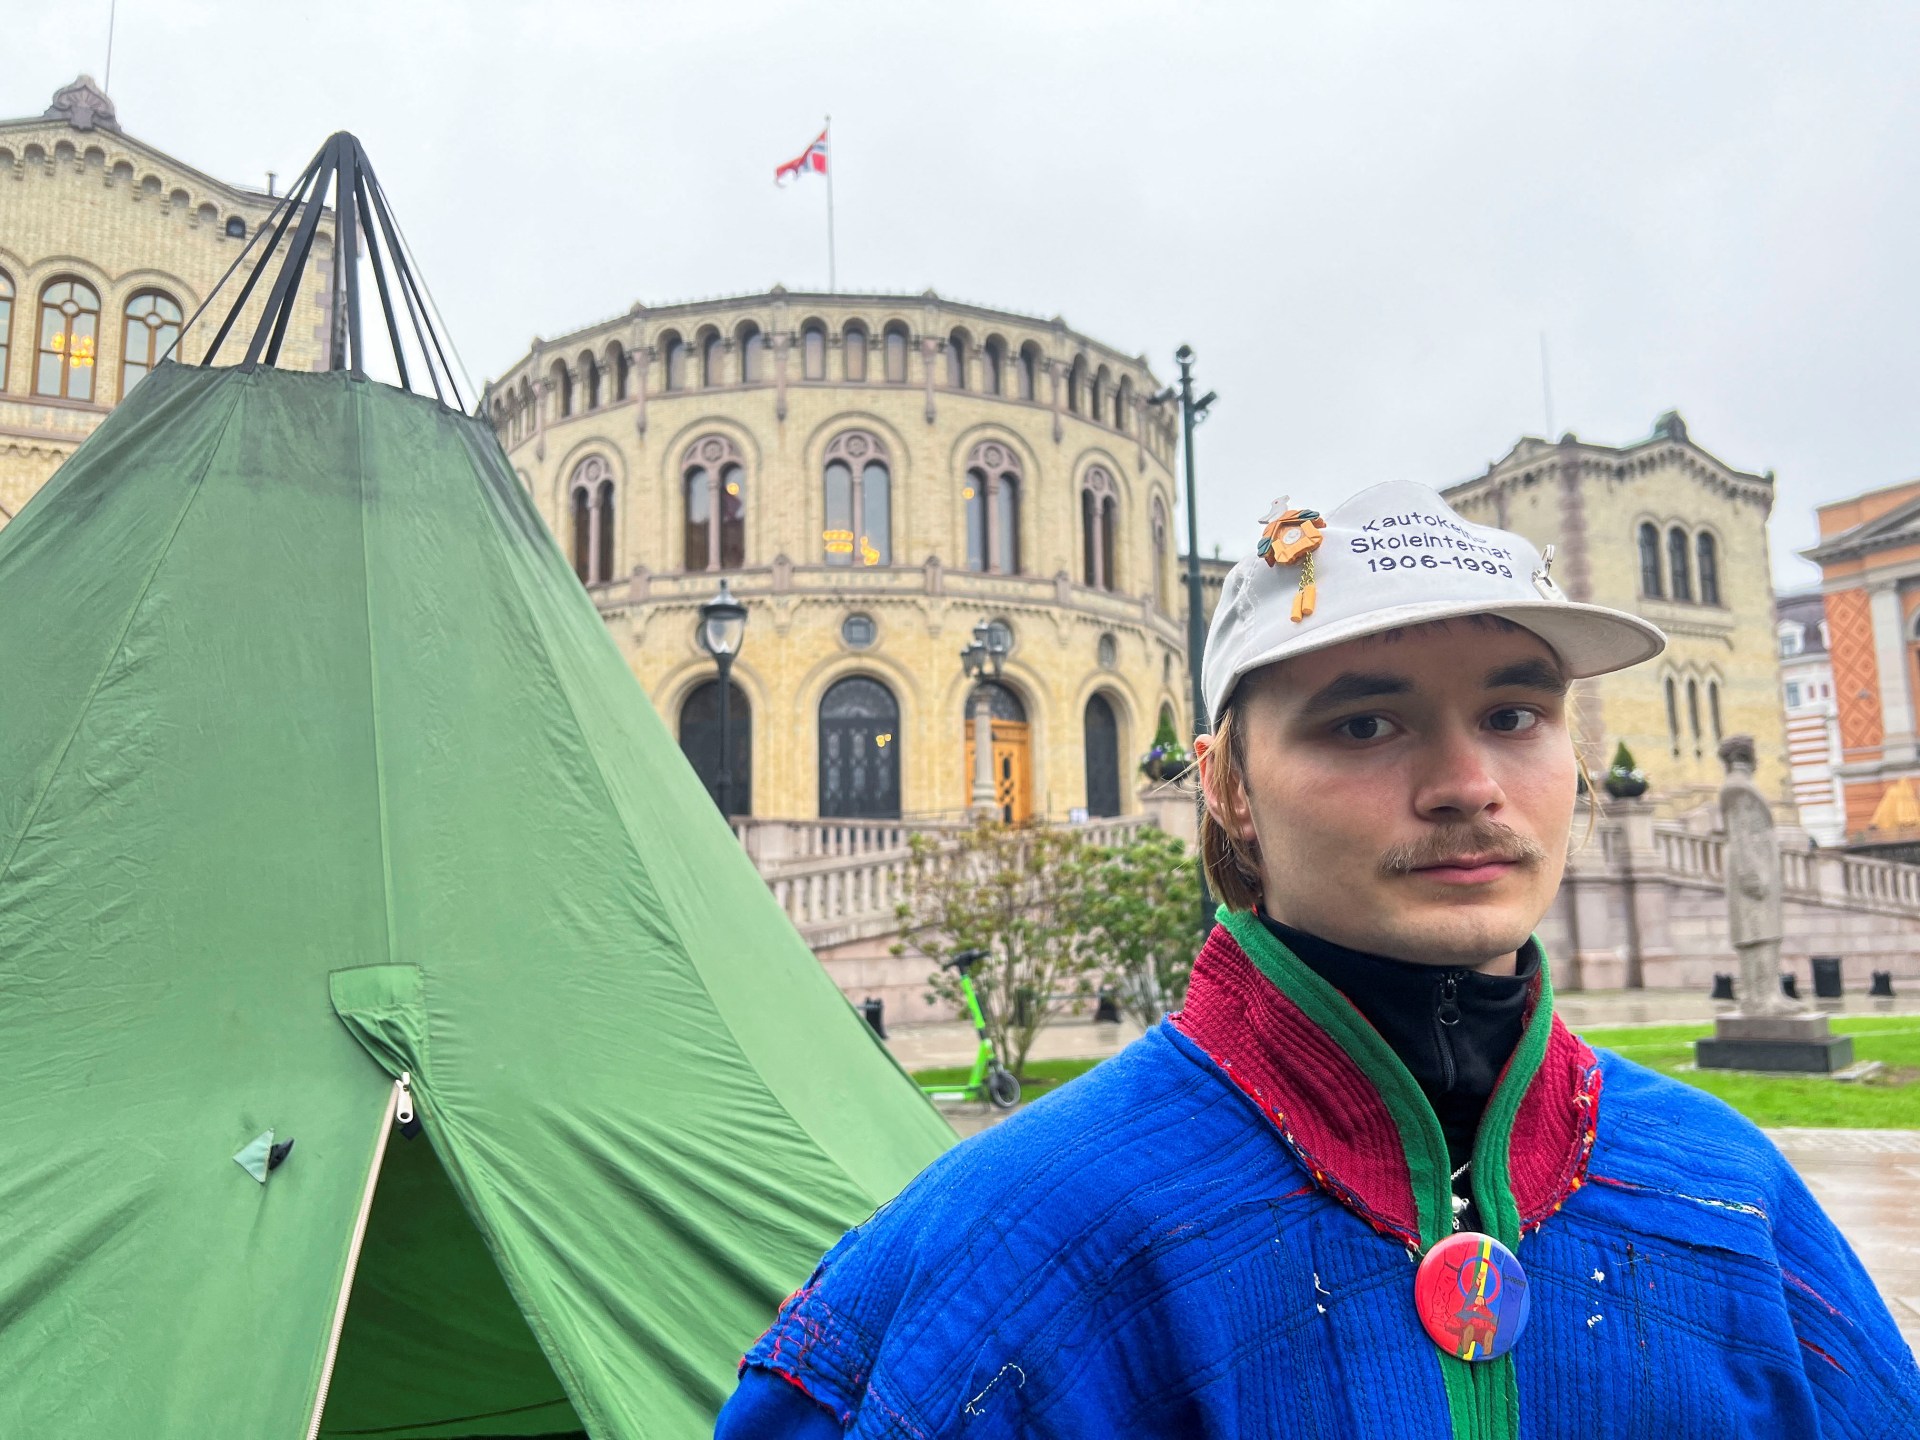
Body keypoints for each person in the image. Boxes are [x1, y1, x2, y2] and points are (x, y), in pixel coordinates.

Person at [717, 481, 1920, 1438]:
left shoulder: (1727, 1197)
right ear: (1230, 785)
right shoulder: (1017, 1241)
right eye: (1365, 722)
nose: (1467, 786)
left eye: (1515, 713)